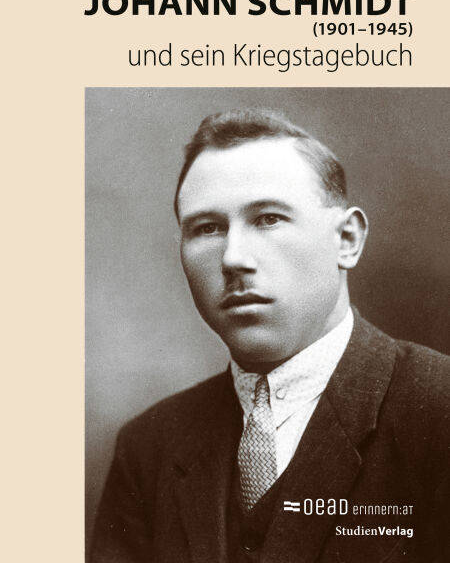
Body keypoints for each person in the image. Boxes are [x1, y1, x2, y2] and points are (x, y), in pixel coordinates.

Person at [90, 109, 449, 563]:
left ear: (347, 239)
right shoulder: (149, 447)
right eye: (207, 228)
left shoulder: (438, 409)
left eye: (268, 219)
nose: (233, 258)